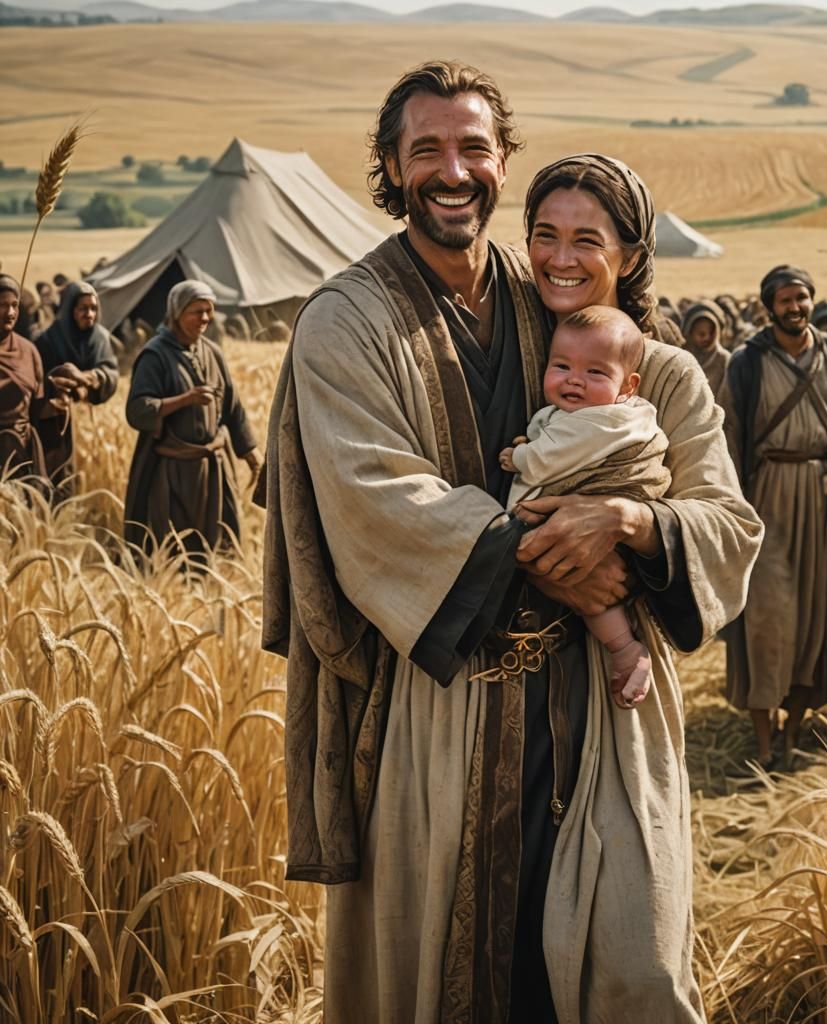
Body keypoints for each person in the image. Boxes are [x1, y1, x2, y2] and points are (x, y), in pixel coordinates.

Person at [261, 61, 761, 1024]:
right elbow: (378, 503)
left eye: (475, 149)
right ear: (390, 166)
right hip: (445, 712)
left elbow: (725, 521)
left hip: (601, 709)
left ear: (502, 163)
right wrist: (568, 567)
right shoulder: (347, 322)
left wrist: (628, 523)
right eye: (427, 150)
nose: (454, 171)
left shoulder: (574, 326)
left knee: (633, 969)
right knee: (449, 975)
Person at [720, 264, 827, 769]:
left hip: (823, 503)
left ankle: (794, 734)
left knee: (816, 620)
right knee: (768, 621)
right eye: (786, 300)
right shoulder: (746, 363)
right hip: (764, 502)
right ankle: (764, 742)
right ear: (769, 307)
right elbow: (724, 442)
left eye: (803, 298)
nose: (796, 307)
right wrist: (728, 513)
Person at [500, 304, 670, 709]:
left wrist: (518, 457)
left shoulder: (594, 421)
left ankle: (625, 649)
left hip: (602, 515)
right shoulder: (614, 413)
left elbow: (548, 458)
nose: (575, 380)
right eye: (561, 366)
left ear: (627, 386)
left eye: (595, 373)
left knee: (592, 589)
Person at [124, 280, 262, 560]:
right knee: (175, 548)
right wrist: (185, 400)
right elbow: (137, 410)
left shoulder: (212, 352)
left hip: (213, 468)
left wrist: (250, 453)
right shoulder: (155, 355)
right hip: (173, 472)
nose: (205, 318)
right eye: (196, 311)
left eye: (208, 311)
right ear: (176, 312)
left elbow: (233, 405)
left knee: (218, 547)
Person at [33, 281, 119, 497]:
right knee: (63, 482)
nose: (89, 314)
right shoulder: (49, 340)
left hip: (95, 422)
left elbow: (111, 372)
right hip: (60, 423)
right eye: (83, 308)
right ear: (70, 309)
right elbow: (38, 381)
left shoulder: (100, 338)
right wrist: (62, 381)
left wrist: (89, 377)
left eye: (93, 308)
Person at [0, 275, 49, 484]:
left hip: (24, 452)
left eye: (14, 305)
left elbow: (37, 408)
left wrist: (60, 407)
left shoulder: (29, 351)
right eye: (2, 305)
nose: (10, 313)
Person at [681, 298, 730, 397]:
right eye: (701, 333)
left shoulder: (724, 359)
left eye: (711, 333)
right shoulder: (682, 359)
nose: (707, 337)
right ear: (690, 333)